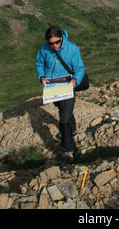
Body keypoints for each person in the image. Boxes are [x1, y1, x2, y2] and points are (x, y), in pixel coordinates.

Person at [36, 26, 86, 160]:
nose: (54, 46)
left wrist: (75, 80)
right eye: (51, 43)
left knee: (63, 118)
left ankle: (67, 148)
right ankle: (73, 127)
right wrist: (41, 77)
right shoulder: (43, 49)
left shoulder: (72, 49)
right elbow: (40, 64)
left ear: (62, 38)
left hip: (68, 85)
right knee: (63, 109)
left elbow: (80, 68)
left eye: (57, 42)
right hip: (52, 86)